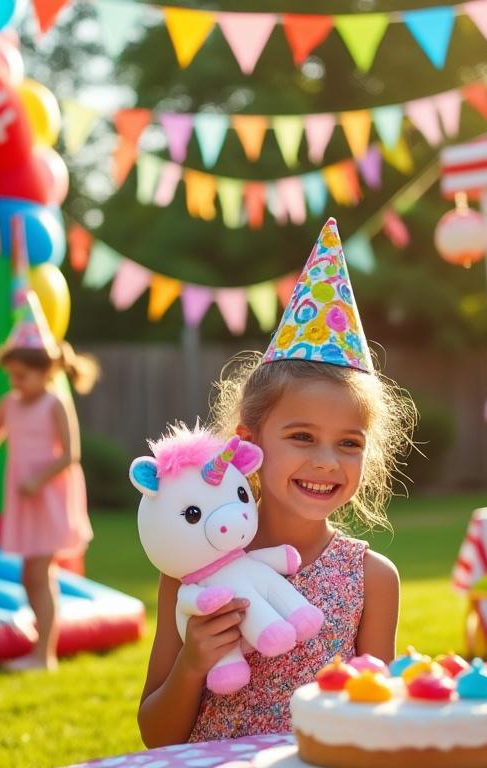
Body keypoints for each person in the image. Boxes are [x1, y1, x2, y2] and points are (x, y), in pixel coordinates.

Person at [137, 218, 416, 746]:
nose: (327, 462)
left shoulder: (373, 579)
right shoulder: (192, 569)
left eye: (349, 443)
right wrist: (194, 662)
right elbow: (156, 737)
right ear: (248, 443)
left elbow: (382, 726)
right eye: (303, 436)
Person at [0, 251, 98, 671]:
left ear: (44, 372)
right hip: (25, 492)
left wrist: (38, 479)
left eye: (22, 375)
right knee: (30, 575)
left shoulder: (55, 403)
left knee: (41, 574)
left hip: (47, 493)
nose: (15, 383)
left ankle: (44, 655)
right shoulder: (10, 402)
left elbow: (71, 455)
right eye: (12, 376)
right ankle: (42, 650)